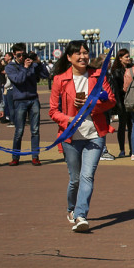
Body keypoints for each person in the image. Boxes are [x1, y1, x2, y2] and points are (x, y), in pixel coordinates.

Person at [48, 40, 115, 233]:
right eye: (78, 53)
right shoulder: (60, 80)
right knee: (75, 178)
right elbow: (53, 111)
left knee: (87, 176)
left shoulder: (97, 75)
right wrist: (68, 119)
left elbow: (111, 101)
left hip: (95, 135)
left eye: (85, 52)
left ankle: (81, 215)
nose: (83, 56)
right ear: (69, 57)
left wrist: (91, 104)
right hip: (70, 136)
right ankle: (71, 208)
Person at [5, 43, 51, 166]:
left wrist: (39, 63)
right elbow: (18, 80)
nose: (21, 57)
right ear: (14, 54)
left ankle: (35, 156)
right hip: (19, 101)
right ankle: (16, 157)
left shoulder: (32, 65)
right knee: (19, 130)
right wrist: (25, 68)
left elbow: (46, 75)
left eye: (23, 54)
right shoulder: (10, 67)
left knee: (35, 130)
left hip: (33, 99)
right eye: (19, 55)